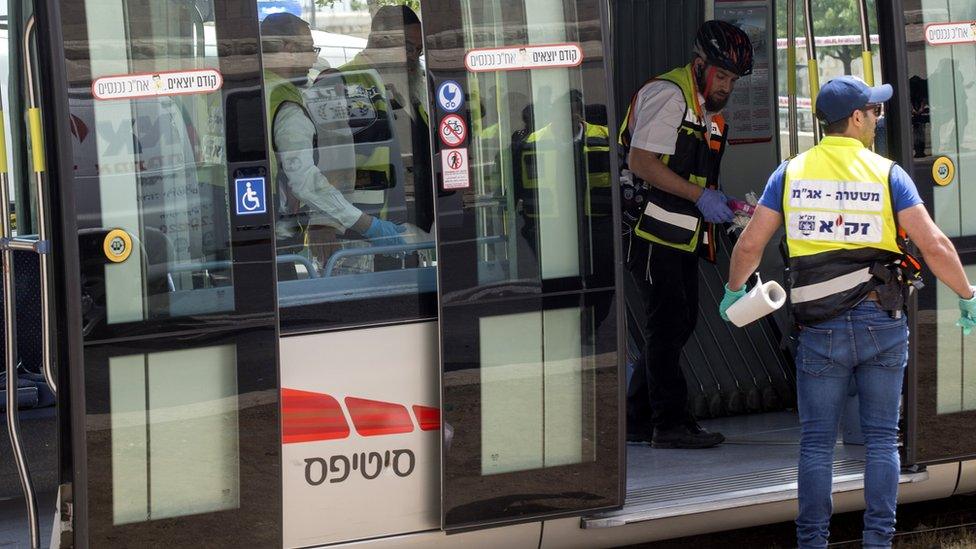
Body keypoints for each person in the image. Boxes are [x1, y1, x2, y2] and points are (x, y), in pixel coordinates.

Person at [720, 75, 976, 549]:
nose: (877, 118)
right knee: (881, 440)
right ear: (855, 118)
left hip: (820, 330)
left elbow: (750, 245)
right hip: (882, 323)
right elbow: (935, 245)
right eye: (874, 111)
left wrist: (735, 292)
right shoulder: (887, 173)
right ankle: (879, 541)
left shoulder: (789, 174)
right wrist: (967, 294)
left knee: (817, 444)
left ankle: (812, 542)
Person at [618, 20, 753, 448]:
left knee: (677, 324)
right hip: (650, 234)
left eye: (733, 79)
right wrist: (700, 196)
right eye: (722, 75)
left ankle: (638, 421)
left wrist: (723, 204)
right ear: (700, 65)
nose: (727, 87)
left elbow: (691, 174)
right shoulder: (669, 96)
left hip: (677, 236)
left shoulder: (708, 114)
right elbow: (641, 162)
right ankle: (669, 424)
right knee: (669, 326)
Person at [260, 12, 404, 277]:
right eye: (308, 49)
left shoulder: (248, 89)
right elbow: (305, 179)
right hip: (271, 229)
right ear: (288, 50)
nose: (313, 58)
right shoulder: (284, 101)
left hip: (238, 228)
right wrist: (365, 224)